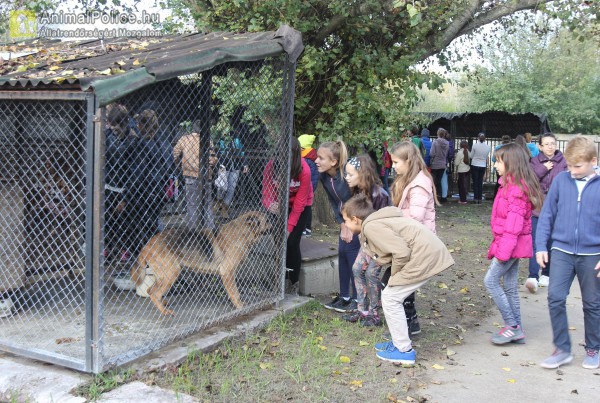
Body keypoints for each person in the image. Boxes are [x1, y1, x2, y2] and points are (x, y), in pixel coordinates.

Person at [341, 194, 454, 365]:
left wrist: (395, 275)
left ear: (355, 219)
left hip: (423, 258)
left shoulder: (372, 227)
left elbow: (401, 252)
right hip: (425, 255)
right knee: (391, 296)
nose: (345, 225)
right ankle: (397, 342)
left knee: (391, 297)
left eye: (345, 220)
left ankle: (404, 350)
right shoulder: (375, 222)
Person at [535, 136, 600, 370]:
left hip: (592, 254)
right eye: (569, 165)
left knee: (592, 303)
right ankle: (562, 348)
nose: (571, 171)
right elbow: (547, 215)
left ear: (593, 160)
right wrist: (541, 246)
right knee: (555, 297)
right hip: (561, 249)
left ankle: (594, 347)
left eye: (578, 166)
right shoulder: (561, 181)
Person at [484, 143, 543, 345]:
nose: (495, 166)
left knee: (490, 281)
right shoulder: (508, 185)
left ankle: (512, 326)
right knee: (509, 286)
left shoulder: (516, 190)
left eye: (498, 162)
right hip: (510, 245)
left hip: (510, 246)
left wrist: (503, 253)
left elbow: (513, 227)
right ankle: (517, 330)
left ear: (511, 163)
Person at [389, 141, 438, 335]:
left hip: (418, 242)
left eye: (395, 162)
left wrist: (393, 218)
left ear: (408, 161)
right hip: (411, 240)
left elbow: (416, 216)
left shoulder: (419, 184)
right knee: (403, 283)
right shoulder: (412, 179)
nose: (393, 166)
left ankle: (406, 326)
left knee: (400, 283)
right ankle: (411, 322)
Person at [341, 154, 391, 326]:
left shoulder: (379, 194)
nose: (346, 178)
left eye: (350, 174)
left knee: (371, 273)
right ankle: (362, 310)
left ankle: (374, 313)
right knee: (357, 269)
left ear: (362, 174)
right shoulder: (357, 192)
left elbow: (384, 224)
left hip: (380, 243)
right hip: (367, 242)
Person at [262, 137, 314, 295]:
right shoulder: (271, 166)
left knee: (291, 243)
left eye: (288, 156)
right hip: (279, 206)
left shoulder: (304, 170)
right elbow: (266, 191)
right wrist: (271, 204)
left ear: (296, 155)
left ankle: (294, 281)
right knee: (279, 243)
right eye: (280, 154)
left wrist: (289, 228)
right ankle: (281, 280)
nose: (283, 159)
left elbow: (299, 204)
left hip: (300, 207)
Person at [316, 140, 359, 313]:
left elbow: (358, 201)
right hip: (346, 221)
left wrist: (351, 225)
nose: (316, 161)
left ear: (333, 162)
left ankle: (358, 298)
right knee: (342, 253)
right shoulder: (324, 176)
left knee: (354, 258)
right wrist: (342, 224)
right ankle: (344, 297)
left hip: (359, 221)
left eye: (321, 158)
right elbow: (335, 202)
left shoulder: (347, 175)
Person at [524, 132, 568, 293]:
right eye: (547, 144)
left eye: (552, 143)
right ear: (540, 147)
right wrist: (543, 169)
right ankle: (533, 275)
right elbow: (530, 181)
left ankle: (547, 274)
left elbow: (565, 182)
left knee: (550, 242)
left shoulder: (563, 162)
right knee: (535, 242)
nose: (550, 146)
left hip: (556, 209)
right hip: (537, 208)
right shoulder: (534, 162)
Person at [173, 122, 217, 231]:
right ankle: (209, 231)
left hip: (190, 175)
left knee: (192, 205)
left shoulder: (185, 139)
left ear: (193, 128)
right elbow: (213, 159)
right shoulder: (207, 140)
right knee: (207, 205)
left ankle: (194, 233)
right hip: (206, 176)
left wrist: (180, 165)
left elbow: (174, 154)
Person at [215, 106, 250, 219]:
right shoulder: (221, 138)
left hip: (235, 166)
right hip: (224, 166)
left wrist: (245, 164)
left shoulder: (236, 139)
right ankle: (219, 203)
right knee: (222, 187)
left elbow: (241, 151)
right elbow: (218, 152)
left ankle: (224, 208)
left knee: (231, 188)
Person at [298, 134, 319, 237]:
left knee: (305, 208)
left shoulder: (307, 160)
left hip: (307, 188)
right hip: (307, 187)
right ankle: (306, 228)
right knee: (306, 207)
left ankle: (304, 228)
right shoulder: (310, 158)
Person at [429, 128, 450, 203]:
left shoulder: (435, 142)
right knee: (439, 181)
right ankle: (440, 197)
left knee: (434, 181)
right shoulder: (447, 143)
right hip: (442, 164)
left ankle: (433, 197)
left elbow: (432, 153)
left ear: (438, 133)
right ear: (444, 134)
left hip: (435, 164)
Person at [470, 132, 491, 204]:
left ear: (478, 138)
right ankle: (480, 198)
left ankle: (475, 198)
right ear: (485, 139)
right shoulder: (488, 147)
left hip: (475, 164)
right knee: (480, 181)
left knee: (475, 182)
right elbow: (486, 156)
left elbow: (471, 156)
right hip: (482, 165)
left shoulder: (475, 145)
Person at [492, 135, 511, 200]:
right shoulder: (512, 148)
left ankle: (496, 197)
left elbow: (493, 159)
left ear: (502, 140)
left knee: (499, 183)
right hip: (509, 167)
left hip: (500, 168)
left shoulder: (498, 148)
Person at [454, 140, 471, 204]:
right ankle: (463, 199)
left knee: (461, 186)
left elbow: (456, 163)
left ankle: (463, 200)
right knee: (464, 185)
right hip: (467, 170)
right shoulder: (468, 152)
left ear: (460, 145)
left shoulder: (460, 153)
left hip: (461, 171)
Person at [441, 131, 454, 202]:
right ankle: (444, 195)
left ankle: (441, 196)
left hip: (440, 162)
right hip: (446, 163)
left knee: (441, 180)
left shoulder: (441, 143)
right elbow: (450, 155)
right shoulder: (450, 143)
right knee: (444, 180)